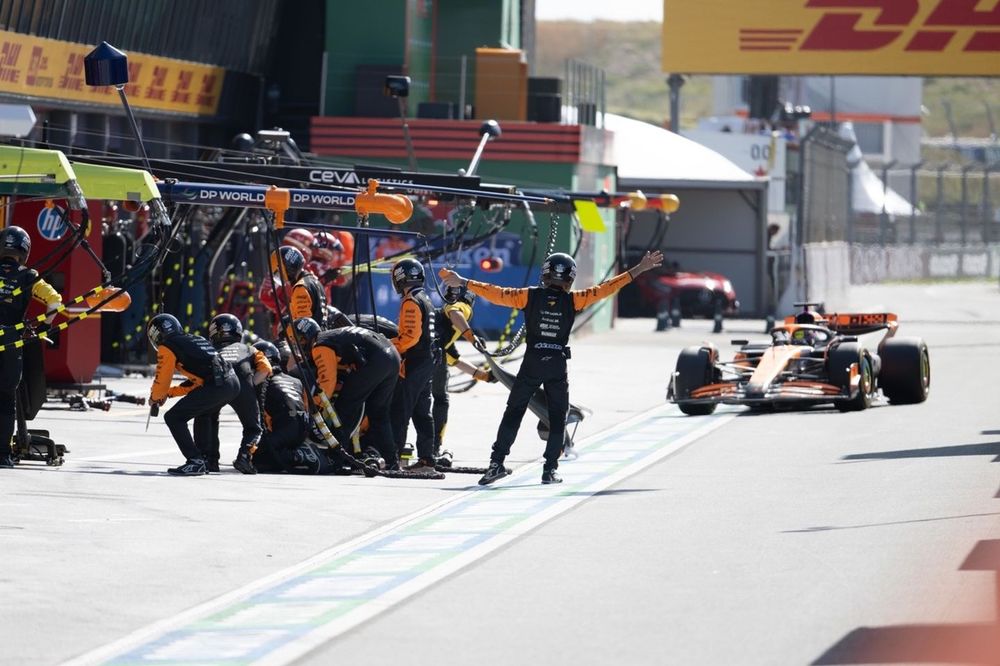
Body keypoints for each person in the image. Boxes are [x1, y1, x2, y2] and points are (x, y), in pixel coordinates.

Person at [441, 249, 664, 485]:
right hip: (556, 364)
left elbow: (495, 293)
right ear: (570, 279)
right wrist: (639, 268)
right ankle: (549, 470)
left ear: (545, 275)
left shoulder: (528, 296)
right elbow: (607, 288)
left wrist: (463, 282)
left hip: (532, 362)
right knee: (558, 418)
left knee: (513, 412)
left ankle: (496, 464)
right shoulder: (575, 299)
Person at [292, 316, 401, 470]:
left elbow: (327, 383)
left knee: (345, 407)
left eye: (301, 340)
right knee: (379, 413)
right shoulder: (333, 336)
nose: (300, 345)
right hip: (392, 356)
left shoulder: (320, 345)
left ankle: (337, 459)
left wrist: (315, 404)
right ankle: (392, 461)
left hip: (377, 360)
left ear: (308, 336)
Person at [147, 313, 241, 476]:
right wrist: (169, 394)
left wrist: (155, 397)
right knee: (204, 414)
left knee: (174, 418)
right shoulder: (193, 339)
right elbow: (196, 381)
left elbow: (162, 377)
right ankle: (208, 461)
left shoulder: (167, 346)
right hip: (231, 383)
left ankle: (195, 460)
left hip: (217, 384)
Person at [0, 226, 62, 468]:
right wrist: (45, 327)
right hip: (11, 343)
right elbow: (55, 302)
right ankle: (3, 455)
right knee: (5, 400)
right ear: (25, 250)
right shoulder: (29, 276)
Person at [194, 313, 271, 474]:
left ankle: (208, 459)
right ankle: (244, 456)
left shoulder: (211, 351)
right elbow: (266, 370)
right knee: (253, 428)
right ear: (238, 332)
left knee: (206, 417)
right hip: (242, 384)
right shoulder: (250, 349)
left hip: (218, 385)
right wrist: (250, 385)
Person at [249, 340, 337, 474]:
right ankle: (299, 451)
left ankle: (300, 455)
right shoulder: (296, 380)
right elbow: (305, 408)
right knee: (267, 465)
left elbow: (260, 417)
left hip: (286, 430)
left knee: (255, 458)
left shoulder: (262, 381)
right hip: (304, 430)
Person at [430, 282, 495, 458]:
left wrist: (484, 376)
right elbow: (456, 313)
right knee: (440, 400)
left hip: (423, 356)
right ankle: (433, 447)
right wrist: (471, 337)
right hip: (430, 358)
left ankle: (401, 448)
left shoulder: (444, 327)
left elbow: (456, 361)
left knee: (414, 403)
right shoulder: (462, 307)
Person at [388, 259, 438, 473]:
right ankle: (427, 459)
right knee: (422, 412)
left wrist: (387, 345)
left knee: (401, 410)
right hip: (428, 360)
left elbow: (410, 337)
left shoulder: (411, 301)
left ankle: (394, 459)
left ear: (400, 278)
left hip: (416, 362)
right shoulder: (425, 298)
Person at [271, 246, 328, 329]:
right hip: (322, 335)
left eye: (278, 272)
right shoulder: (315, 281)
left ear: (285, 268)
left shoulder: (300, 288)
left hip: (313, 340)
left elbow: (304, 324)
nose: (279, 276)